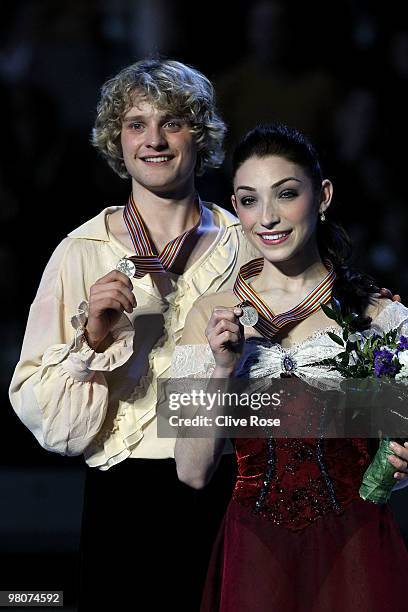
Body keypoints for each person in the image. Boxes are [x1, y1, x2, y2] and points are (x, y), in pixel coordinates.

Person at [8, 59, 258, 611]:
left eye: (172, 122)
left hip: (234, 483)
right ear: (115, 141)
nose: (154, 140)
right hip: (124, 496)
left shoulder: (249, 243)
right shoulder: (81, 251)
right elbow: (44, 415)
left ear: (200, 133)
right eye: (136, 124)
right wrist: (91, 342)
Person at [172, 123, 408, 611]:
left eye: (286, 194)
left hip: (357, 550)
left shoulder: (380, 315)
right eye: (249, 199)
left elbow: (398, 458)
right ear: (235, 209)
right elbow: (191, 473)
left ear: (321, 197)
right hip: (256, 552)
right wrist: (222, 369)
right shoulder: (209, 313)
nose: (268, 217)